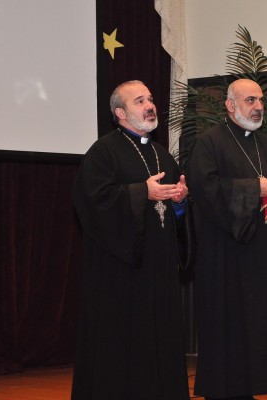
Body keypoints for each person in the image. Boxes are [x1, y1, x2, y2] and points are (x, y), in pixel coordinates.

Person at [71, 80, 190, 400]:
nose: (150, 105)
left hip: (160, 270)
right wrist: (141, 192)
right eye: (139, 101)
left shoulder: (163, 155)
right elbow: (91, 201)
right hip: (121, 273)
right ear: (120, 113)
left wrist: (180, 202)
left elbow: (176, 217)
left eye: (150, 99)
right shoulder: (103, 152)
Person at [186, 78, 267, 400]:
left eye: (261, 100)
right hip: (225, 254)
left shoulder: (266, 145)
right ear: (230, 105)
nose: (259, 107)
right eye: (250, 100)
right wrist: (253, 188)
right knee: (228, 325)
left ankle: (256, 385)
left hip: (263, 252)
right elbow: (204, 190)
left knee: (260, 326)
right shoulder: (208, 143)